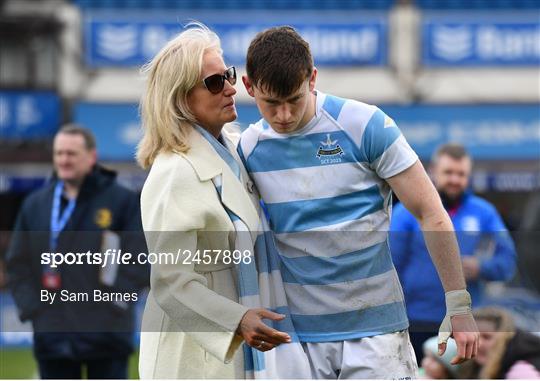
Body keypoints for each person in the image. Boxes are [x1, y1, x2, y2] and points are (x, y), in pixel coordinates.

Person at [237, 26, 478, 379]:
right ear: (249, 87)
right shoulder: (248, 148)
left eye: (295, 99)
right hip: (296, 338)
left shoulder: (366, 125)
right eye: (271, 103)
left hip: (377, 334)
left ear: (313, 79)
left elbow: (431, 212)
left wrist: (458, 303)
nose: (284, 115)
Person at [136, 23, 294, 379]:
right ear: (180, 97)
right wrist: (237, 319)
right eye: (214, 82)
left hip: (230, 350)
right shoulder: (174, 172)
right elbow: (171, 280)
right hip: (191, 356)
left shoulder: (234, 152)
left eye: (229, 75)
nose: (230, 88)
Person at [6, 124, 149, 379]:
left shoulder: (121, 201)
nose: (64, 160)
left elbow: (139, 259)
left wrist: (115, 303)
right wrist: (34, 309)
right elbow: (17, 263)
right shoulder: (36, 204)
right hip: (53, 336)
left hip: (107, 336)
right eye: (59, 153)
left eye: (71, 153)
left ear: (91, 156)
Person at [390, 143, 517, 364]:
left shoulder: (484, 213)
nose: (455, 180)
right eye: (448, 173)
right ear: (433, 172)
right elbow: (390, 266)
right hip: (415, 322)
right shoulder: (407, 213)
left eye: (461, 174)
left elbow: (508, 262)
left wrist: (481, 267)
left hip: (467, 324)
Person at [460, 307, 540, 379]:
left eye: (487, 337)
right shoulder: (469, 366)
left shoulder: (522, 372)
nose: (479, 344)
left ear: (505, 339)